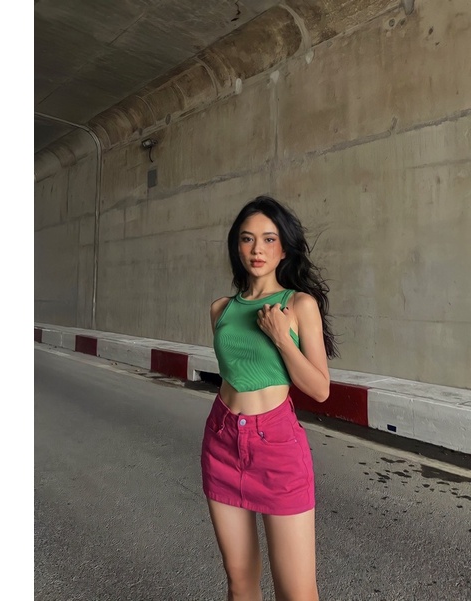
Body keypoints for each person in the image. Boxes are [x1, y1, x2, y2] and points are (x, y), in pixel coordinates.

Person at [201, 195, 339, 601]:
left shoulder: (298, 304)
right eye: (247, 239)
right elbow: (236, 371)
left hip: (276, 445)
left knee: (297, 593)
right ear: (237, 247)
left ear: (284, 249)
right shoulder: (221, 309)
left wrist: (281, 337)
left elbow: (319, 389)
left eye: (268, 239)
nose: (257, 249)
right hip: (222, 439)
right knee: (239, 582)